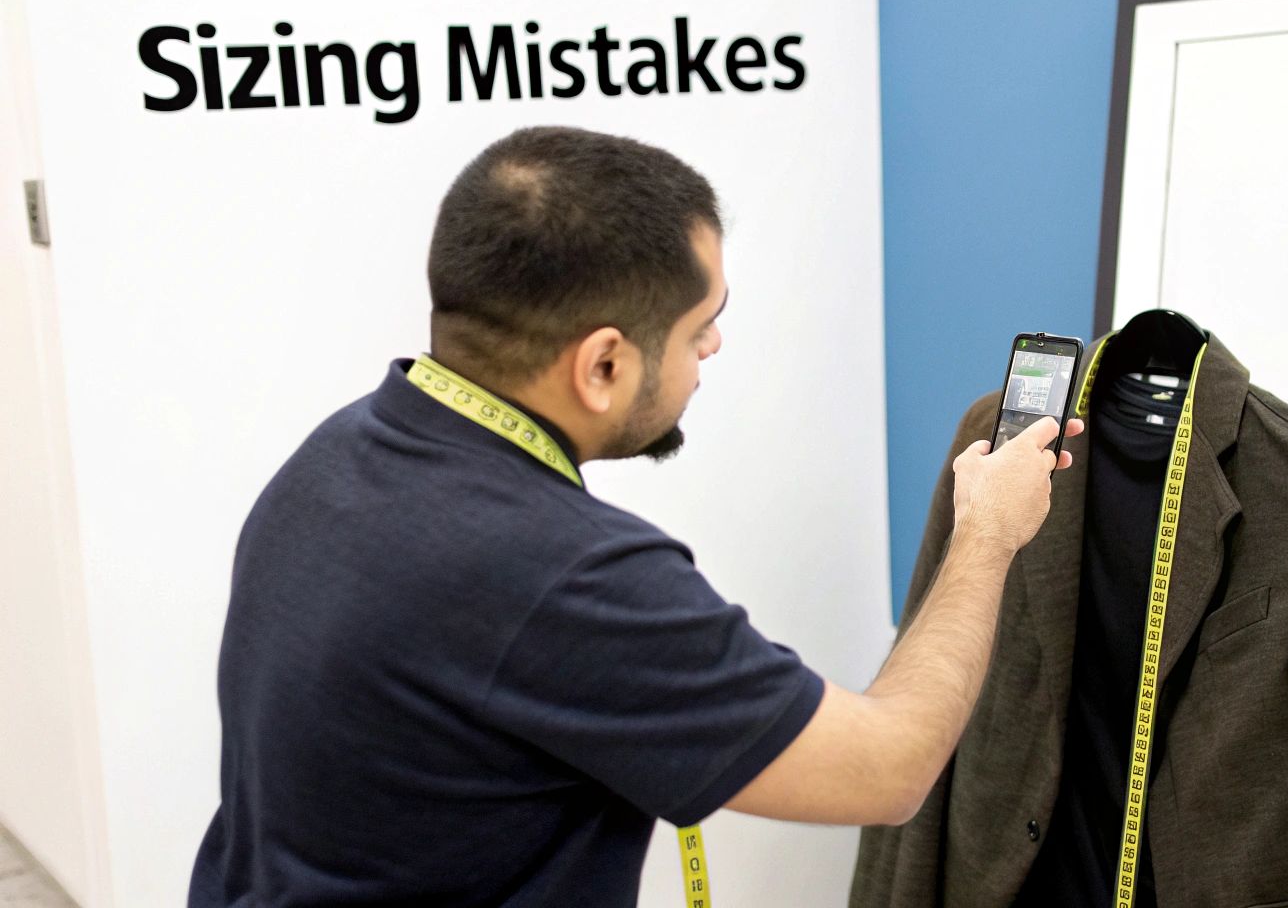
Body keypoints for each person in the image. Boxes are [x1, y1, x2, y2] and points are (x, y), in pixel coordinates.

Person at [188, 126, 1082, 907]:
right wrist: (989, 532)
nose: (714, 349)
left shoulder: (341, 452)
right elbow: (890, 767)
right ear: (603, 365)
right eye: (700, 329)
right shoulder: (567, 577)